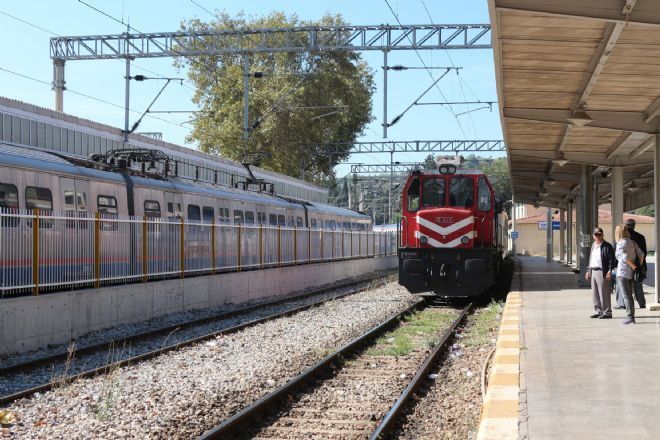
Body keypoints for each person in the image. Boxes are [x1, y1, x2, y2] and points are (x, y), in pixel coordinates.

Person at [614, 224, 645, 325]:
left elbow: (623, 256)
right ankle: (631, 316)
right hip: (632, 273)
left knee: (626, 295)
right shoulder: (632, 242)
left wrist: (633, 265)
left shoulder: (620, 243)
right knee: (629, 295)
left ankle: (630, 317)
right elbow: (641, 254)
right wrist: (638, 265)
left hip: (623, 272)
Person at [585, 228, 616, 319]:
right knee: (595, 294)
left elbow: (612, 260)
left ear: (602, 235)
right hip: (593, 271)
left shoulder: (607, 246)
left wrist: (609, 271)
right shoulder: (593, 245)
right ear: (593, 236)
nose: (597, 236)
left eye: (599, 234)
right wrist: (588, 271)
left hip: (602, 271)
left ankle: (607, 312)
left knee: (604, 293)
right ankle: (598, 311)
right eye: (596, 235)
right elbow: (591, 259)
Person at [625, 218, 647, 308]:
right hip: (639, 265)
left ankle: (624, 304)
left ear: (625, 225)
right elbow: (644, 252)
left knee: (626, 286)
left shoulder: (624, 237)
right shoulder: (641, 237)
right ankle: (642, 304)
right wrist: (640, 264)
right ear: (634, 226)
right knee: (638, 285)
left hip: (627, 265)